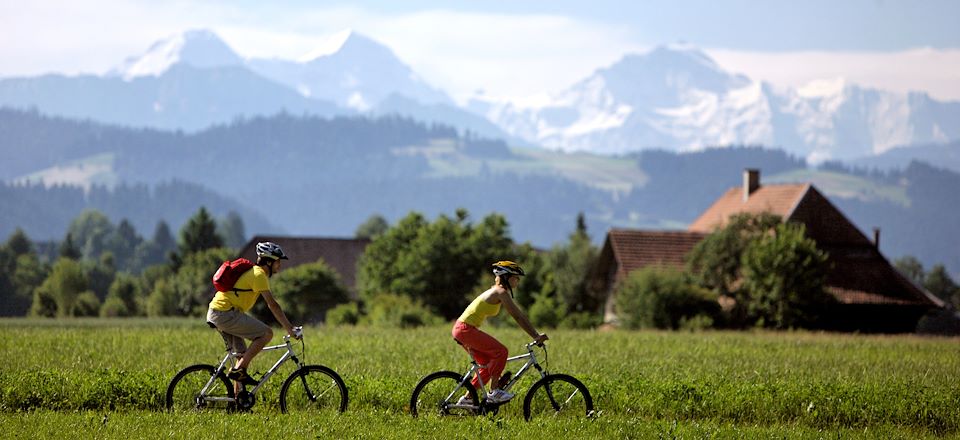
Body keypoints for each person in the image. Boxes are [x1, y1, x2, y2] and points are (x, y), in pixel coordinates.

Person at [206, 241, 301, 389]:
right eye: (278, 261)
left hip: (221, 312)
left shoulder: (255, 273)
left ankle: (238, 401)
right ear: (268, 262)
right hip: (224, 313)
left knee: (242, 356)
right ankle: (239, 370)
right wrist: (289, 328)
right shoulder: (259, 275)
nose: (279, 265)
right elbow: (273, 305)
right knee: (267, 334)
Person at [452, 260, 548, 404]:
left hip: (463, 329)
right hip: (465, 329)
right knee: (501, 351)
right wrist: (536, 335)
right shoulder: (500, 292)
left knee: (486, 365)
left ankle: (467, 399)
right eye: (516, 277)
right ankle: (494, 392)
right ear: (507, 277)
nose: (518, 281)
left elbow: (518, 315)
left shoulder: (497, 291)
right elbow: (518, 316)